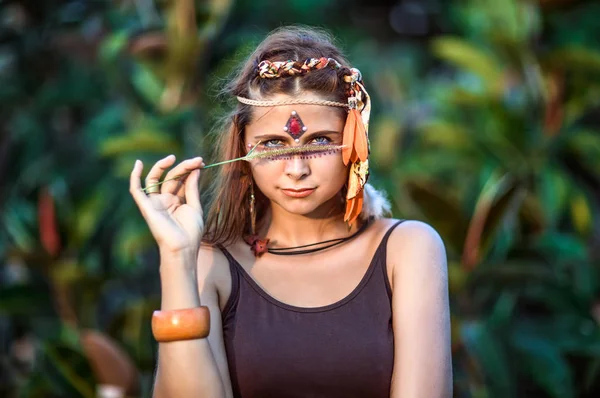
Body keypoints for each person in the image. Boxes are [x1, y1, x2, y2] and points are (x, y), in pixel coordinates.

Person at [129, 26, 452, 398]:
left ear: (353, 141)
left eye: (319, 141)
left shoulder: (407, 249)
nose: (296, 169)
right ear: (244, 150)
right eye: (272, 145)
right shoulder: (212, 265)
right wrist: (175, 257)